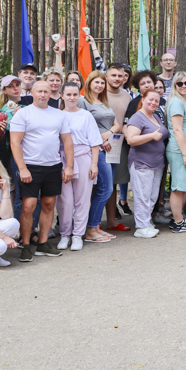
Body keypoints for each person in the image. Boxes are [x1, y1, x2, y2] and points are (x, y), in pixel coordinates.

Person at [9, 80, 73, 262]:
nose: (43, 95)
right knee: (28, 206)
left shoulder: (59, 115)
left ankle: (43, 243)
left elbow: (67, 142)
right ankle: (27, 244)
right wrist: (22, 168)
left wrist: (69, 166)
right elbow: (15, 143)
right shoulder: (23, 114)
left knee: (48, 205)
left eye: (46, 91)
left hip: (53, 166)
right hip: (30, 166)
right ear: (33, 93)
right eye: (39, 91)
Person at [55, 82, 103, 251]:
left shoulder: (85, 115)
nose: (72, 98)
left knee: (82, 199)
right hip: (62, 160)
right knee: (64, 200)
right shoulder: (57, 115)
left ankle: (78, 235)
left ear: (79, 95)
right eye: (68, 94)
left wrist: (94, 164)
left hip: (83, 158)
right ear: (62, 95)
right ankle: (65, 234)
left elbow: (94, 142)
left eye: (75, 94)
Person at [79, 70, 120, 243]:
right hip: (97, 150)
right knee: (106, 189)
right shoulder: (83, 102)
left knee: (104, 188)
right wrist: (99, 139)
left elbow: (117, 124)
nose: (99, 85)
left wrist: (108, 134)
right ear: (89, 83)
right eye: (96, 82)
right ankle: (90, 228)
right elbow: (81, 126)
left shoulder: (104, 102)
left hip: (111, 147)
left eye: (102, 83)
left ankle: (95, 227)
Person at [125, 89, 169, 239]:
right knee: (142, 196)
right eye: (150, 99)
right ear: (142, 99)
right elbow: (131, 139)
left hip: (157, 163)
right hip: (141, 163)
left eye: (156, 101)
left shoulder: (155, 116)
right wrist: (151, 136)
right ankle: (141, 227)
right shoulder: (137, 117)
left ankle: (146, 221)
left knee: (152, 196)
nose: (153, 103)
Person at [164, 71, 186, 233]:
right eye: (180, 84)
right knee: (179, 186)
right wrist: (185, 153)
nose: (184, 86)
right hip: (180, 151)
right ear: (175, 85)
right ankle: (178, 221)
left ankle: (179, 217)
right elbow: (177, 130)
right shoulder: (176, 102)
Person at [103, 63, 133, 232]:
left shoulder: (127, 96)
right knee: (101, 184)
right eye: (113, 75)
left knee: (113, 183)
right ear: (106, 76)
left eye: (120, 76)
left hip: (120, 143)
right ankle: (91, 222)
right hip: (102, 143)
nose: (116, 78)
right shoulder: (99, 93)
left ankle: (112, 220)